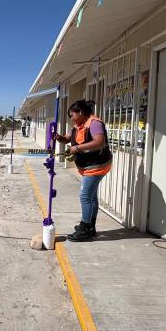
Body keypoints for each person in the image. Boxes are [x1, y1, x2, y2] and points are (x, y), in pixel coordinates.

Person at [55, 100, 112, 241]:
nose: (71, 118)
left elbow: (99, 142)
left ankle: (85, 228)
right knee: (91, 197)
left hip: (97, 165)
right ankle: (91, 226)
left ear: (80, 112)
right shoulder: (78, 125)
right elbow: (67, 139)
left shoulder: (94, 124)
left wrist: (78, 148)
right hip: (88, 166)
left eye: (72, 115)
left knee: (85, 196)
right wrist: (59, 138)